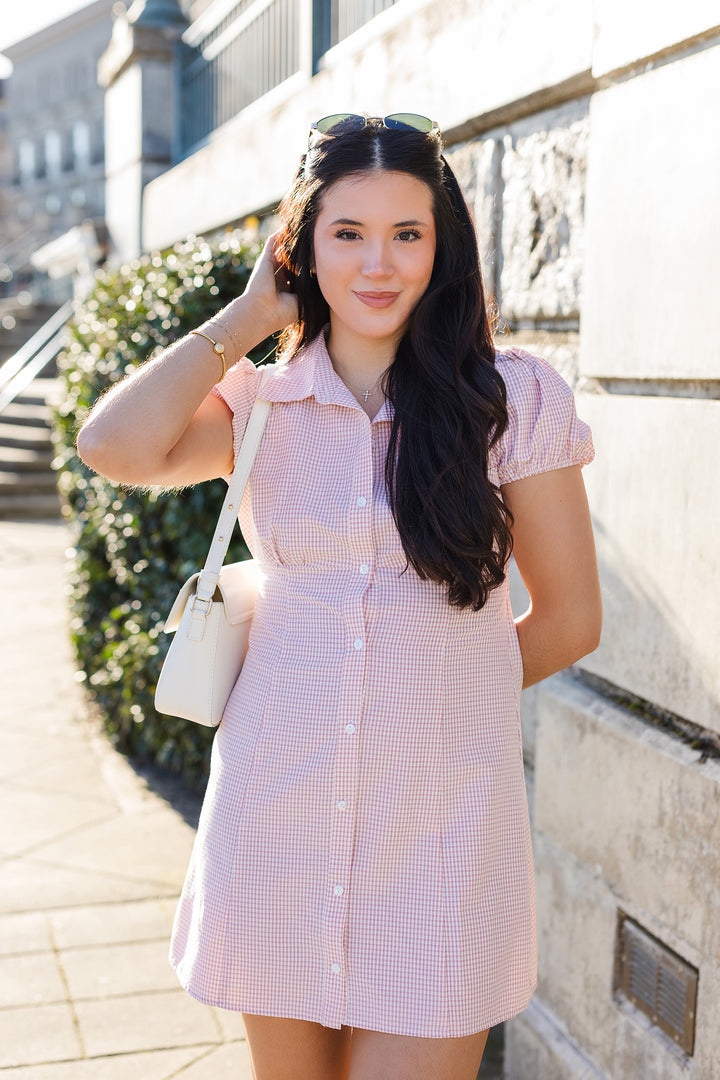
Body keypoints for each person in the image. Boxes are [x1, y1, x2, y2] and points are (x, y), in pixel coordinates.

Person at [77, 112, 602, 1080]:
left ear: (442, 245)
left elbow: (571, 619)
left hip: (440, 836)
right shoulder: (260, 404)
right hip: (275, 820)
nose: (379, 263)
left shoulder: (514, 402)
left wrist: (438, 697)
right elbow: (112, 446)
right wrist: (244, 323)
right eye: (347, 233)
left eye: (407, 232)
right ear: (301, 247)